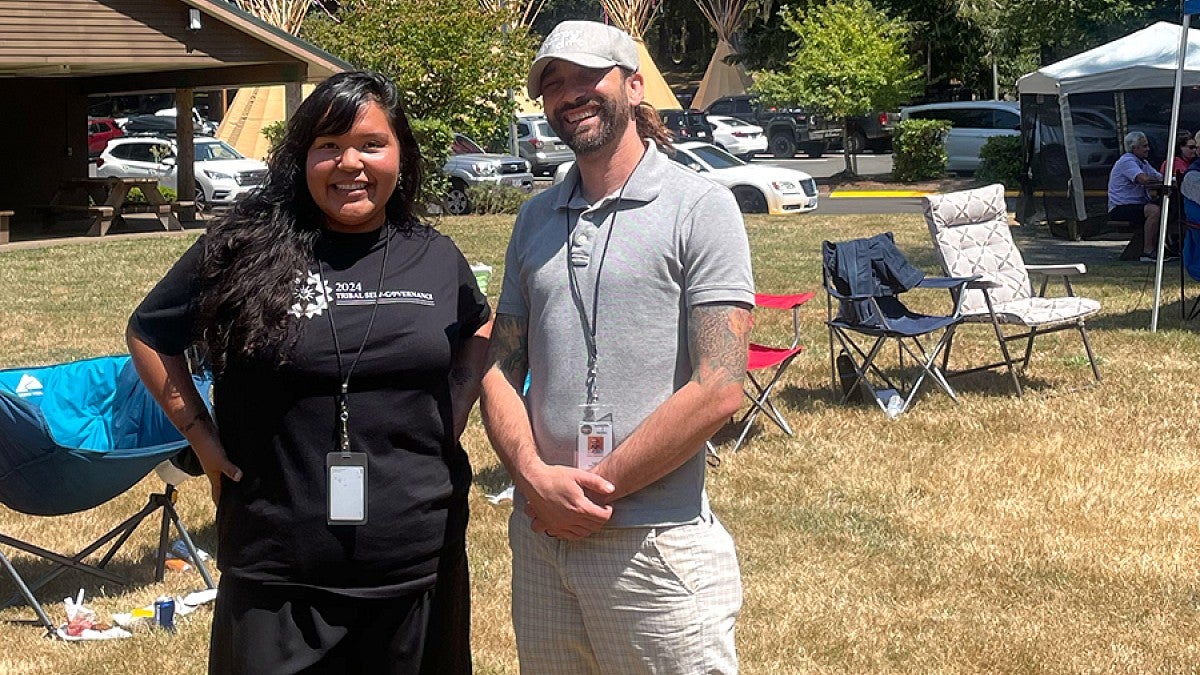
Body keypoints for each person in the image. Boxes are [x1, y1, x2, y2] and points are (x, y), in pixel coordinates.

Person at [126, 71, 490, 674]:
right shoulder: (244, 247)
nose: (350, 163)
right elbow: (149, 333)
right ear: (304, 158)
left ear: (400, 153)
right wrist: (203, 439)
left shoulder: (433, 255)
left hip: (415, 560)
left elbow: (480, 326)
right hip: (277, 565)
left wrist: (457, 402)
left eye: (371, 144)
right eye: (328, 146)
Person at [480, 20, 753, 674]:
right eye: (553, 83)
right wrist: (534, 480)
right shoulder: (534, 219)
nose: (569, 93)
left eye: (586, 76)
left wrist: (592, 491)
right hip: (542, 543)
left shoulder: (701, 207)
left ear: (634, 85)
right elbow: (497, 368)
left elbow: (720, 385)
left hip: (654, 546)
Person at [1108, 130, 1164, 262]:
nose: (1148, 149)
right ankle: (1147, 252)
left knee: (1165, 208)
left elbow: (1159, 177)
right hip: (1120, 208)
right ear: (1134, 148)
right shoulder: (1127, 161)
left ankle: (1164, 247)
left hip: (1136, 205)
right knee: (1154, 211)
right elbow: (1144, 179)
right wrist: (1163, 181)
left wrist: (1166, 180)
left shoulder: (1143, 163)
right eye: (1144, 146)